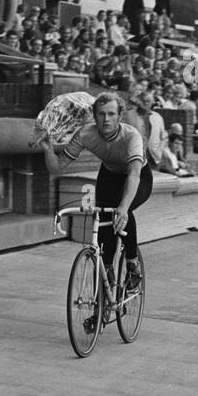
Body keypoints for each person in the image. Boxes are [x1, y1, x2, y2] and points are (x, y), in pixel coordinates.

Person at [42, 92, 152, 301]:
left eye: (111, 114)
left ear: (120, 116)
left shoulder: (131, 136)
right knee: (102, 220)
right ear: (94, 115)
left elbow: (135, 173)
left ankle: (132, 262)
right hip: (109, 174)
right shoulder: (86, 134)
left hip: (137, 176)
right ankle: (105, 283)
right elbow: (57, 167)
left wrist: (123, 206)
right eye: (101, 114)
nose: (106, 119)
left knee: (122, 209)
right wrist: (48, 150)